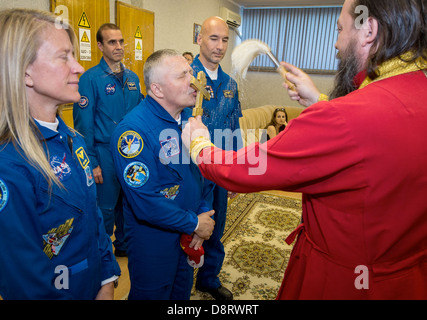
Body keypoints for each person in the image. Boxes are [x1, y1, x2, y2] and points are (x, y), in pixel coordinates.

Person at [183, 0, 427, 300]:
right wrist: (320, 102)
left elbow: (252, 167)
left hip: (341, 281)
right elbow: (374, 136)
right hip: (404, 278)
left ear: (369, 30)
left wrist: (199, 145)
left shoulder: (344, 117)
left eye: (340, 29)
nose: (336, 44)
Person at [0, 9, 121, 300]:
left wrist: (107, 276)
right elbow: (27, 281)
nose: (78, 67)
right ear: (25, 71)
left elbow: (92, 218)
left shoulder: (71, 138)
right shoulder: (9, 165)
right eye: (63, 56)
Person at [110, 49, 215, 300]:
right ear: (157, 90)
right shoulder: (132, 132)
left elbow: (202, 174)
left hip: (189, 233)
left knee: (180, 294)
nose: (194, 81)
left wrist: (203, 215)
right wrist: (195, 223)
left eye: (191, 72)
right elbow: (146, 202)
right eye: (183, 76)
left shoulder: (190, 120)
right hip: (153, 241)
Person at [73, 23, 144, 257]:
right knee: (105, 208)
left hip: (132, 151)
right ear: (100, 46)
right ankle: (101, 258)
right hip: (104, 153)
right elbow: (83, 126)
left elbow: (142, 113)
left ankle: (123, 246)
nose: (119, 46)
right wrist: (91, 162)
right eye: (112, 42)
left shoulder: (133, 77)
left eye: (122, 41)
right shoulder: (90, 79)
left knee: (130, 201)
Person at [190, 16, 243, 300]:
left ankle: (208, 278)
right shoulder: (184, 76)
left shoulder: (230, 85)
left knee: (217, 224)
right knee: (187, 225)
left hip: (220, 168)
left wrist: (237, 171)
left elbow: (234, 129)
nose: (220, 46)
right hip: (188, 169)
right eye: (214, 38)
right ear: (199, 38)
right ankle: (178, 277)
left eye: (225, 39)